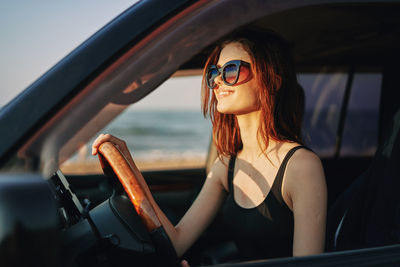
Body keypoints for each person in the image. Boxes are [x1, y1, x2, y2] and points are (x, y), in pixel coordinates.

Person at [92, 29, 327, 264]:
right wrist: (128, 165)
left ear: (272, 80)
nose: (216, 81)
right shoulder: (227, 164)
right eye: (215, 72)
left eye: (231, 70)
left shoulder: (301, 166)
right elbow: (177, 241)